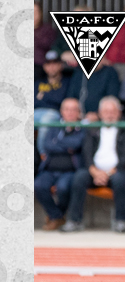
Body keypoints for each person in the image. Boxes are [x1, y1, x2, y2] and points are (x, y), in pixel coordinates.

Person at [63, 96, 125, 233]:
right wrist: (94, 171)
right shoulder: (93, 129)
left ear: (119, 113)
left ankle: (120, 221)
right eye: (106, 111)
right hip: (95, 172)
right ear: (100, 113)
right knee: (79, 177)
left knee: (120, 179)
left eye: (113, 111)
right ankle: (74, 220)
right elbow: (87, 153)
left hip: (119, 171)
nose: (109, 115)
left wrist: (108, 173)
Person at [34, 98, 85, 231]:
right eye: (67, 109)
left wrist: (58, 143)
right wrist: (66, 146)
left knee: (63, 188)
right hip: (50, 169)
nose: (70, 113)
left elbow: (77, 143)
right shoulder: (54, 125)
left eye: (74, 110)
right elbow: (47, 145)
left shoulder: (83, 128)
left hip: (70, 170)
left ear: (79, 112)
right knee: (38, 185)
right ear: (61, 111)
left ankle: (55, 217)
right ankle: (57, 216)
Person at [35, 51, 72, 155]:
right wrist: (52, 96)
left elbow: (61, 100)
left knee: (45, 122)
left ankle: (43, 155)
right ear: (44, 67)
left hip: (54, 113)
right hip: (36, 112)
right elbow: (33, 101)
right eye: (48, 64)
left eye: (54, 63)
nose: (51, 67)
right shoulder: (39, 82)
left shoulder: (66, 82)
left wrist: (44, 96)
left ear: (61, 65)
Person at [34, 2, 57, 78]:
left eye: (36, 12)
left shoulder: (47, 29)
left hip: (41, 66)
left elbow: (50, 46)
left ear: (41, 13)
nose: (34, 15)